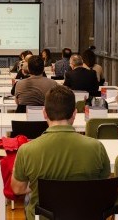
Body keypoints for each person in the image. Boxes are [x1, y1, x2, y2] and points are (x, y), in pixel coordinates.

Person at [11, 85, 111, 220]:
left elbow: (17, 189)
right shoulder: (97, 147)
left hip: (44, 216)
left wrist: (38, 187)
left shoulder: (26, 150)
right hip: (85, 214)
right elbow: (102, 184)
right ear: (74, 114)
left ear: (44, 113)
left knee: (29, 198)